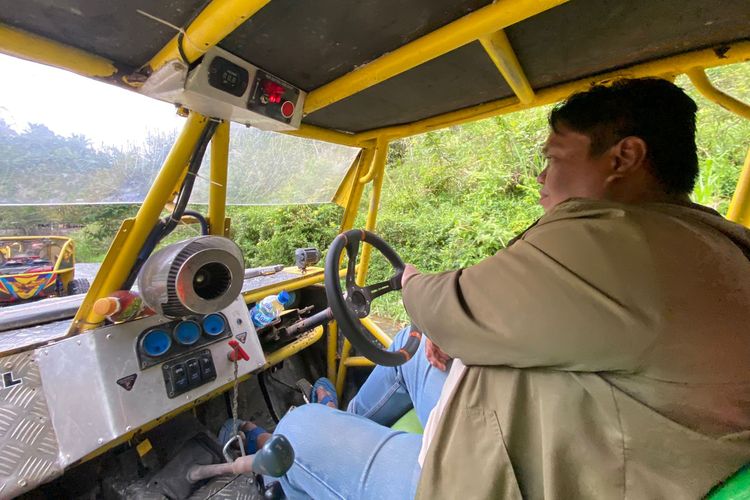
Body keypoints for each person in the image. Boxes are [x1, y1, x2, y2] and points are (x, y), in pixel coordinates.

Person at [227, 78, 750, 498]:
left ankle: (298, 458)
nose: (543, 178)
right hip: (589, 440)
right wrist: (445, 328)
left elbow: (452, 304)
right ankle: (342, 426)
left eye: (554, 158)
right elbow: (501, 315)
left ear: (623, 158)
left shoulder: (621, 241)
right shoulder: (706, 241)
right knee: (413, 353)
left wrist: (411, 283)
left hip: (543, 476)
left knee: (298, 429)